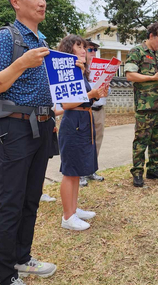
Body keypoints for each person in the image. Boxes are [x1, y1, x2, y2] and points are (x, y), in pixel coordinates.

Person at [0, 0, 58, 284]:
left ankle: (23, 258)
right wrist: (21, 63)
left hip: (42, 127)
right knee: (11, 202)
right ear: (16, 1)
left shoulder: (41, 40)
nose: (42, 2)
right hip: (15, 128)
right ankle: (6, 276)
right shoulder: (7, 37)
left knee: (31, 198)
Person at [57, 35, 106, 231]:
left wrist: (96, 95)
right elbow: (67, 103)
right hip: (73, 123)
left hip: (83, 121)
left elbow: (83, 99)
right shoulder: (67, 72)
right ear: (69, 50)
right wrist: (91, 94)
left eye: (84, 47)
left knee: (76, 171)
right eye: (79, 46)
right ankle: (67, 216)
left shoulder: (80, 72)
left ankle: (74, 210)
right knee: (70, 172)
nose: (84, 50)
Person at [125, 22, 158, 188]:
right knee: (141, 141)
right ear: (151, 36)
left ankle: (153, 168)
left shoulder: (157, 56)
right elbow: (130, 75)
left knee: (157, 140)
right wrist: (153, 77)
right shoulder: (137, 52)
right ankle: (137, 172)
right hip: (145, 107)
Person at [79, 38, 106, 186]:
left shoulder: (100, 67)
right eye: (90, 49)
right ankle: (81, 173)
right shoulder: (79, 69)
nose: (93, 52)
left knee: (97, 141)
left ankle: (91, 170)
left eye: (95, 49)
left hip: (100, 107)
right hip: (85, 109)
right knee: (83, 141)